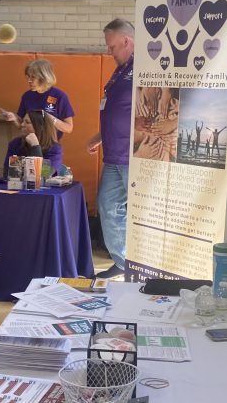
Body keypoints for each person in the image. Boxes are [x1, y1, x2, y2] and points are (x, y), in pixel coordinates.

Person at [87, 18, 134, 279]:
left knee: (138, 213)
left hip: (133, 156)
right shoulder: (120, 70)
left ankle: (144, 266)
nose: (109, 52)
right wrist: (99, 136)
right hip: (114, 155)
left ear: (126, 41)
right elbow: (117, 111)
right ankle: (122, 260)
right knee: (107, 205)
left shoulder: (144, 69)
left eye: (112, 46)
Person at [2, 58, 75, 138]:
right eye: (28, 77)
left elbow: (68, 128)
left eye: (33, 77)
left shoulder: (59, 96)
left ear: (44, 77)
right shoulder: (27, 96)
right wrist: (14, 118)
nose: (29, 81)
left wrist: (49, 118)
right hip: (31, 143)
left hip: (51, 145)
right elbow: (21, 125)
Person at [3, 109, 63, 178]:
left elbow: (46, 175)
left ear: (41, 127)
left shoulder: (54, 148)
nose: (22, 124)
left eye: (27, 122)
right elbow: (8, 174)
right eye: (23, 121)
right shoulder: (15, 144)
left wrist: (35, 146)